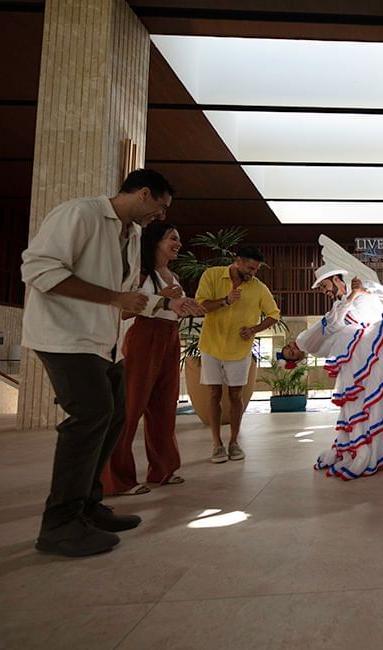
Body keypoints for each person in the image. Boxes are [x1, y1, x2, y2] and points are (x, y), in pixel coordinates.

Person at [22, 169, 189, 557]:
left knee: (114, 414)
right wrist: (114, 299)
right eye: (160, 208)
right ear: (144, 194)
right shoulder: (79, 214)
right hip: (64, 336)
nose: (160, 218)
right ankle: (59, 523)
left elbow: (129, 295)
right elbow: (38, 270)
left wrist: (166, 303)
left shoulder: (129, 234)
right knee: (91, 416)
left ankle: (88, 506)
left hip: (103, 342)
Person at [280, 279, 383, 480]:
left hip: (369, 350)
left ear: (336, 279)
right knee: (369, 405)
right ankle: (378, 447)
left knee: (380, 400)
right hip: (357, 360)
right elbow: (331, 324)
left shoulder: (348, 301)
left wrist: (363, 290)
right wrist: (354, 294)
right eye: (291, 355)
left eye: (324, 286)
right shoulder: (307, 340)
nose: (292, 350)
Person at [101, 222, 205, 496]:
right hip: (144, 340)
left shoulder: (171, 275)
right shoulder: (141, 273)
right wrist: (161, 298)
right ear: (156, 241)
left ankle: (163, 470)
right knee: (130, 408)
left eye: (179, 238)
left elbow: (172, 310)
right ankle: (118, 479)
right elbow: (123, 312)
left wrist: (189, 306)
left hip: (170, 338)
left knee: (164, 407)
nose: (178, 243)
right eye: (173, 238)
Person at [195, 245, 280, 464]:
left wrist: (254, 329)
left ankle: (234, 442)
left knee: (235, 396)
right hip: (211, 345)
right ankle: (217, 445)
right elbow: (200, 306)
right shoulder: (212, 276)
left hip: (239, 349)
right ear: (238, 261)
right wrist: (225, 301)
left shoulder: (259, 288)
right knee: (214, 393)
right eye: (250, 267)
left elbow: (274, 314)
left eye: (256, 269)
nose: (253, 273)